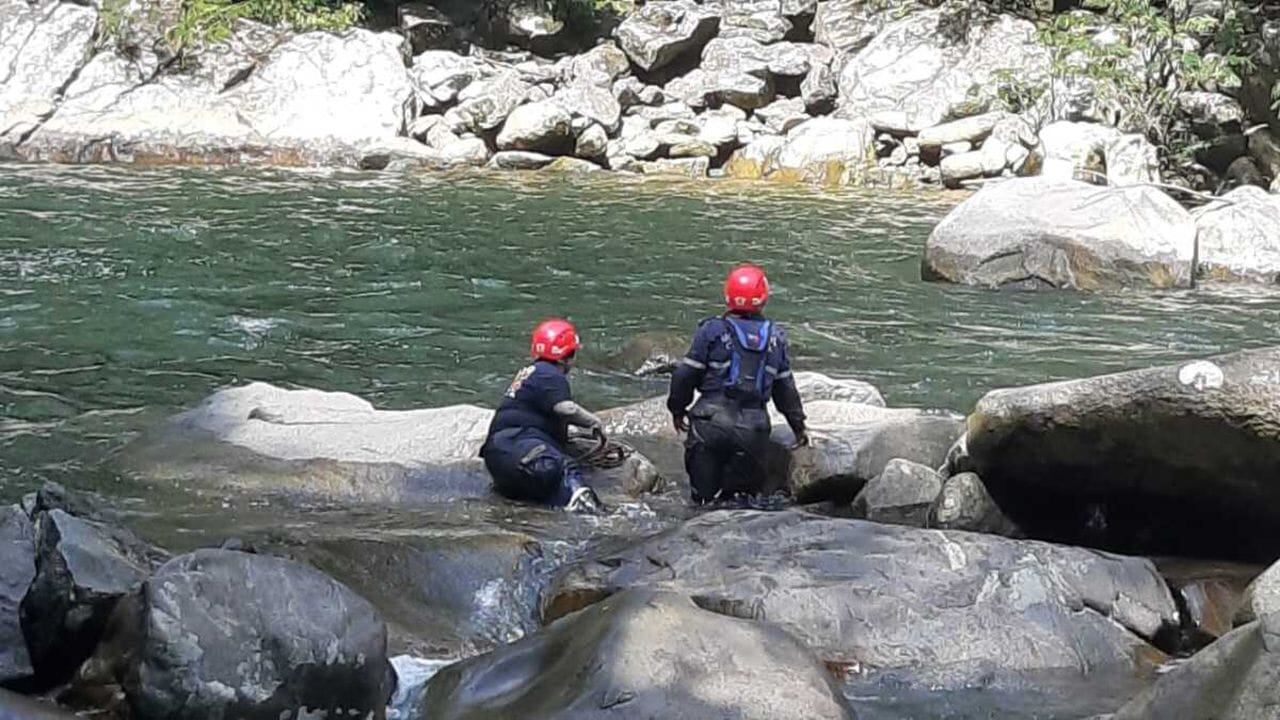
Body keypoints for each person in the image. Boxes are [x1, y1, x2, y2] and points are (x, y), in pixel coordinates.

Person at [666, 264, 808, 504]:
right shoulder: (776, 337)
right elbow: (785, 391)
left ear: (727, 296)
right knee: (741, 504)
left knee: (702, 503)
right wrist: (799, 427)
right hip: (753, 431)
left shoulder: (711, 330)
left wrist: (677, 410)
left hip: (709, 425)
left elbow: (684, 376)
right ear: (764, 298)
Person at [480, 318, 607, 514]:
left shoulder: (528, 373)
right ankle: (594, 514)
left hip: (497, 459)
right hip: (523, 451)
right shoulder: (550, 374)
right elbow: (566, 409)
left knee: (547, 483)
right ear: (567, 355)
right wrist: (594, 423)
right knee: (564, 468)